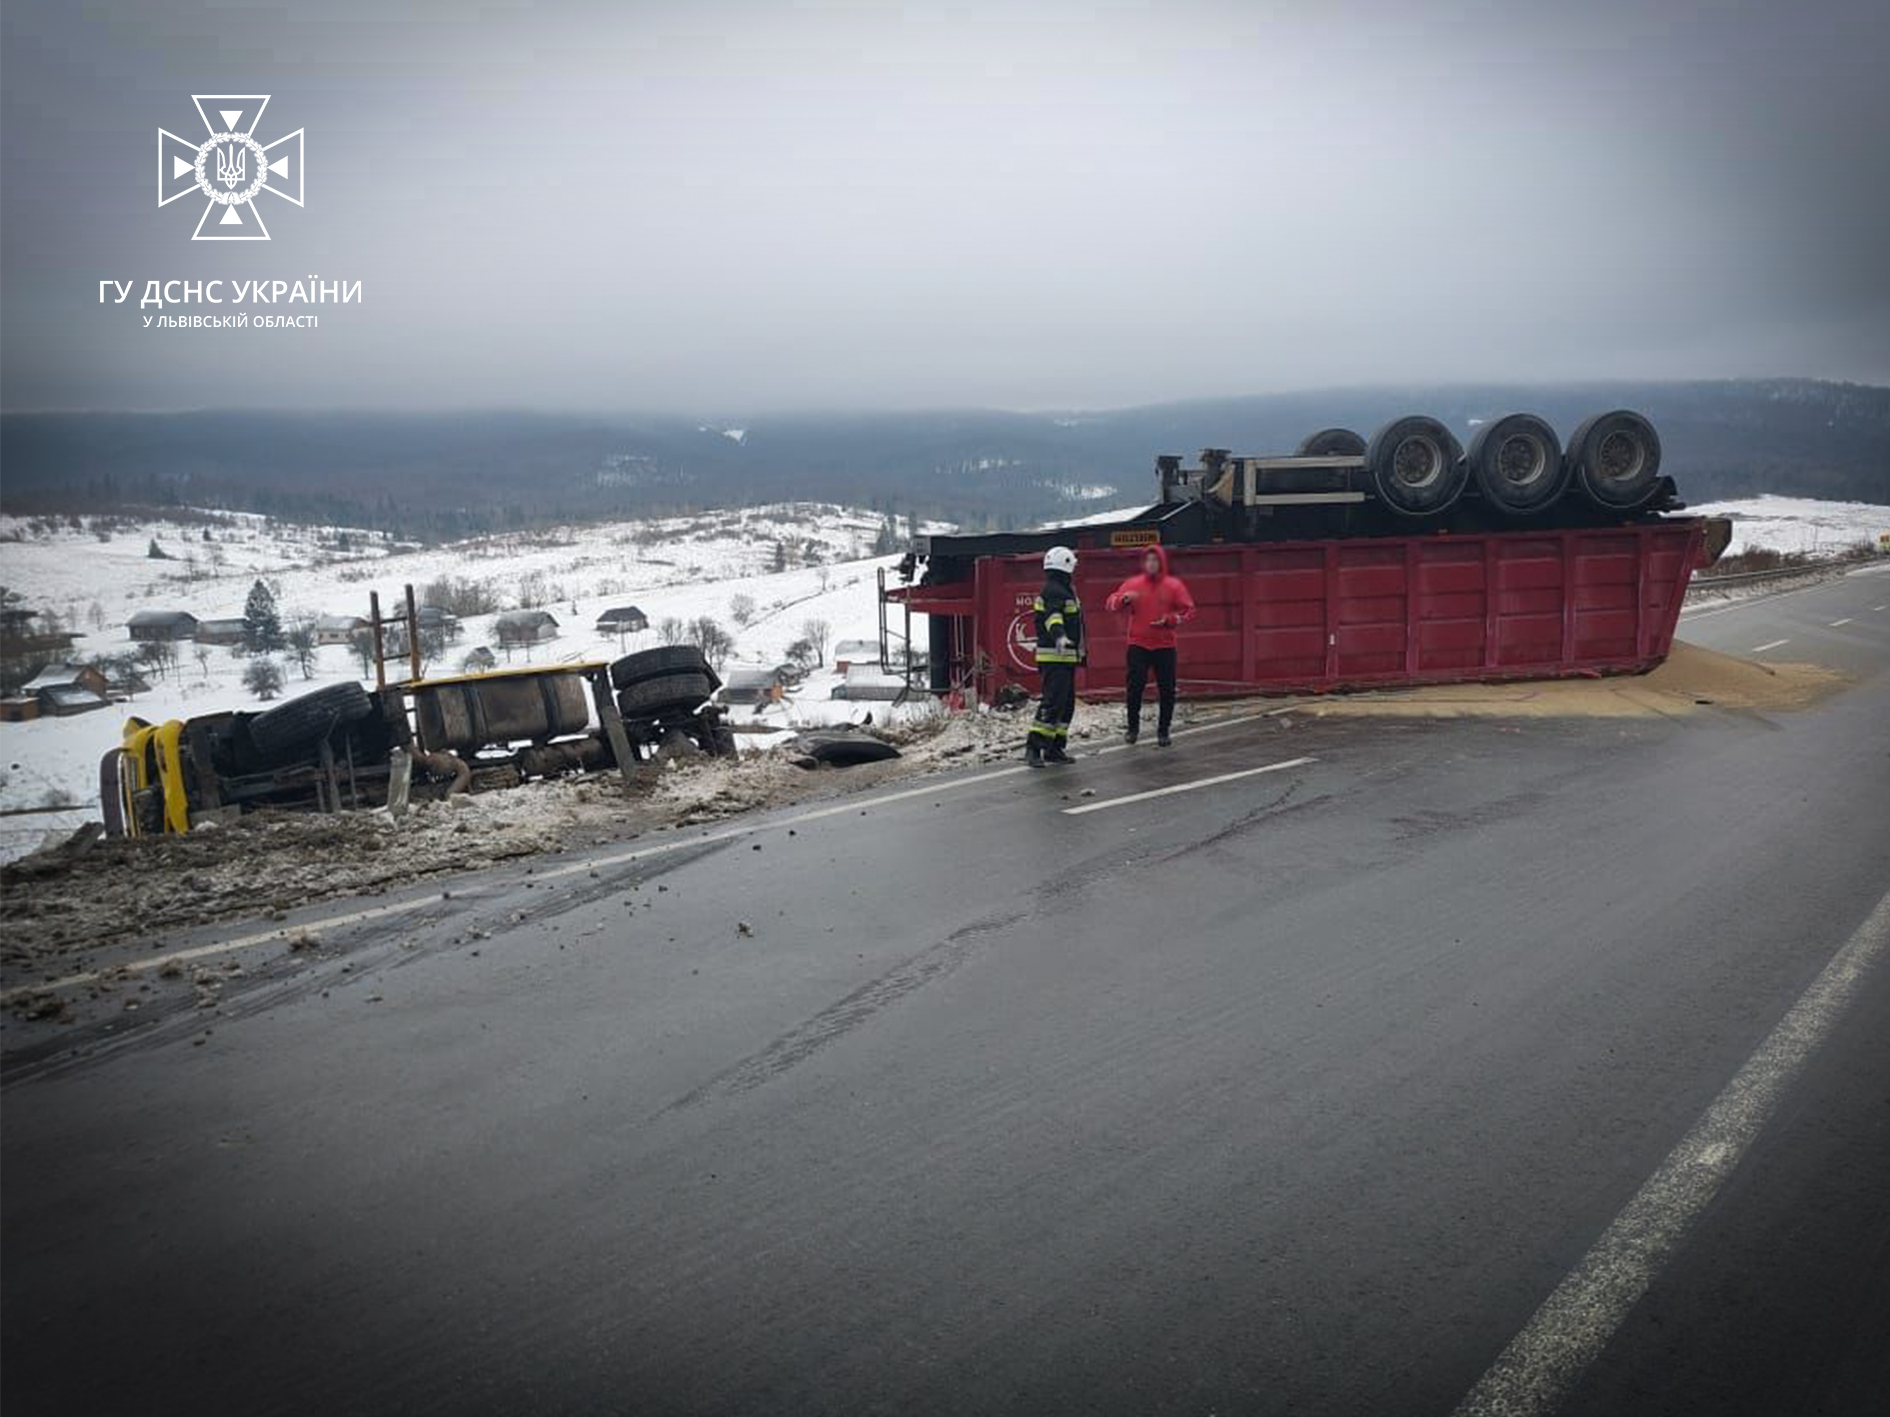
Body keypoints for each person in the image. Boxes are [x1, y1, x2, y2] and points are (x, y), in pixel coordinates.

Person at [1104, 544, 1195, 746]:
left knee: (1167, 689)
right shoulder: (1133, 584)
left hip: (1165, 645)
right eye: (1148, 560)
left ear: (1161, 562)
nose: (1151, 564)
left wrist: (1171, 620)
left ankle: (1163, 731)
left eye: (1155, 560)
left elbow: (1189, 611)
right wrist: (1123, 600)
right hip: (1138, 644)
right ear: (1143, 563)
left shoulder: (1173, 586)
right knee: (1134, 687)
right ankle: (1133, 729)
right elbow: (1110, 603)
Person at [1026, 545, 1083, 768]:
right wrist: (1059, 636)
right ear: (1066, 565)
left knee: (1066, 704)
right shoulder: (1054, 590)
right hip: (1054, 657)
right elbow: (1053, 617)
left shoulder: (1062, 589)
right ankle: (1033, 747)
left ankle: (1054, 748)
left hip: (1066, 658)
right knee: (1052, 703)